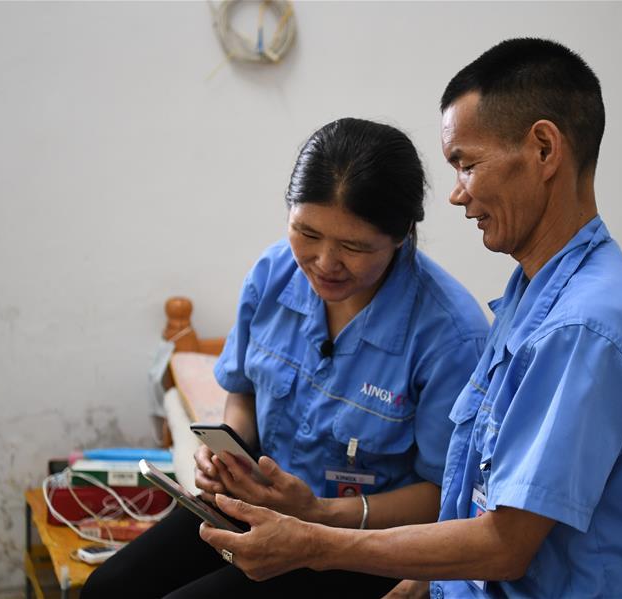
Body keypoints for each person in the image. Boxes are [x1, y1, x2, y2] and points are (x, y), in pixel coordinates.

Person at [199, 38, 622, 598]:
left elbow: (504, 545)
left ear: (543, 149)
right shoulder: (534, 295)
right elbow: (478, 495)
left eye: (467, 165)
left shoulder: (584, 327)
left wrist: (315, 540)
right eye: (307, 234)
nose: (457, 195)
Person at [81, 118, 490, 598]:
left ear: (400, 235)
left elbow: (446, 494)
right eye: (306, 233)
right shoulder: (273, 274)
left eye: (354, 246)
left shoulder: (450, 336)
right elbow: (243, 391)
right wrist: (226, 454)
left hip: (359, 545)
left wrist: (320, 515)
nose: (325, 262)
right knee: (107, 589)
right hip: (258, 507)